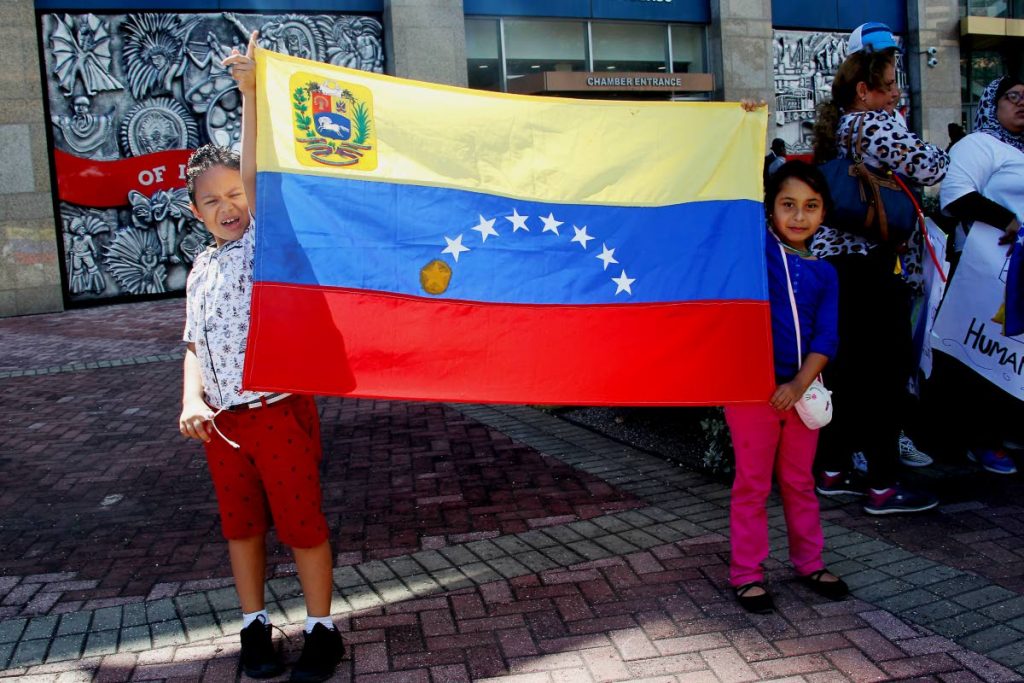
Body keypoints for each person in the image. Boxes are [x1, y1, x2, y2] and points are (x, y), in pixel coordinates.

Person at [179, 32, 344, 682]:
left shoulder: (262, 246)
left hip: (277, 411)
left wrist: (249, 94)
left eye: (235, 196)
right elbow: (193, 339)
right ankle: (253, 626)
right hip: (223, 423)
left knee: (302, 522)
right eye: (212, 201)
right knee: (242, 526)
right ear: (195, 213)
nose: (228, 207)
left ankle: (321, 628)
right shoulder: (200, 267)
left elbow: (254, 173)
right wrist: (191, 398)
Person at [810, 27, 948, 514]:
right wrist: (923, 142)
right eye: (888, 86)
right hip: (870, 263)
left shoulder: (842, 128)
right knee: (884, 374)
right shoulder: (875, 124)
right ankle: (884, 487)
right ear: (863, 91)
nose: (895, 94)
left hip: (838, 263)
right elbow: (932, 167)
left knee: (846, 371)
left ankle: (832, 469)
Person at [726, 158, 849, 614]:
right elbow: (733, 201)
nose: (799, 217)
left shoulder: (825, 272)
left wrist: (799, 384)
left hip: (803, 395)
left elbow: (826, 337)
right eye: (788, 205)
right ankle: (747, 573)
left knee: (799, 482)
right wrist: (745, 122)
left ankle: (809, 562)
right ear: (769, 211)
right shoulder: (757, 252)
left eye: (811, 206)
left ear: (823, 213)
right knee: (752, 485)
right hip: (749, 393)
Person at [935, 76, 1024, 474]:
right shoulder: (979, 144)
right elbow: (955, 195)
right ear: (993, 101)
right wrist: (1007, 219)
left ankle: (1007, 428)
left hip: (1018, 271)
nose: (1022, 103)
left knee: (1015, 350)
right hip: (986, 269)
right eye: (1013, 96)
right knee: (979, 353)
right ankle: (979, 440)